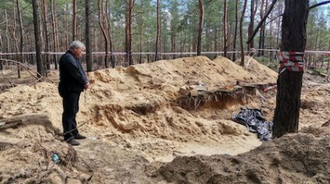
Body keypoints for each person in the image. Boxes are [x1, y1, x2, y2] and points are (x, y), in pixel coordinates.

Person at [58, 41, 90, 146]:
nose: (82, 53)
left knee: (74, 111)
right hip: (69, 90)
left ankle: (74, 132)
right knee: (69, 112)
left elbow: (80, 72)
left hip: (74, 89)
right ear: (75, 49)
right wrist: (84, 82)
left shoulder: (73, 58)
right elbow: (76, 72)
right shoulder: (68, 58)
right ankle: (68, 136)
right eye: (81, 50)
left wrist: (85, 81)